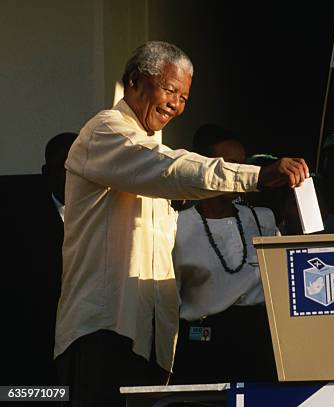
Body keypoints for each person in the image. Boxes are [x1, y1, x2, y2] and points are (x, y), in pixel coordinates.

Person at [54, 41, 308, 407]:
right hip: (103, 333)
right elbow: (172, 169)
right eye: (170, 89)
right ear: (135, 81)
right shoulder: (107, 131)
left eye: (184, 97)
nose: (176, 103)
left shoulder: (148, 146)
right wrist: (257, 175)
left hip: (151, 342)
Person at [172, 124, 277, 383]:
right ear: (204, 167)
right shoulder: (176, 226)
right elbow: (168, 300)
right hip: (204, 346)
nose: (239, 172)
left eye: (243, 164)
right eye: (231, 165)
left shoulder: (263, 218)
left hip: (259, 341)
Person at [0, 132, 76, 393]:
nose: (71, 176)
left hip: (86, 351)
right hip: (32, 348)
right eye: (62, 168)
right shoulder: (17, 222)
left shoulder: (109, 218)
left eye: (77, 166)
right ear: (46, 172)